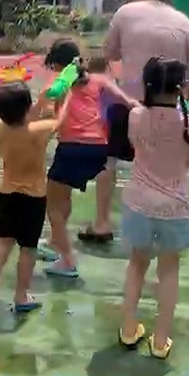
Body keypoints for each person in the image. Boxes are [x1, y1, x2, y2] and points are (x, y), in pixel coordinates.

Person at [96, 0, 189, 244]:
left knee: (108, 162)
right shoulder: (185, 23)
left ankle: (102, 222)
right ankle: (168, 217)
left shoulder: (127, 12)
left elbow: (110, 52)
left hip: (129, 102)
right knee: (168, 163)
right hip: (169, 105)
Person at [118, 57, 189, 359]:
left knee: (137, 264)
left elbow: (135, 147)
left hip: (138, 201)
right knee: (168, 270)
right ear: (181, 87)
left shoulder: (136, 116)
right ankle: (160, 342)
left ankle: (129, 330)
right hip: (174, 205)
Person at [41, 39, 136, 278]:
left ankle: (67, 260)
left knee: (53, 204)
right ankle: (56, 242)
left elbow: (49, 111)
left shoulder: (59, 83)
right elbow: (129, 102)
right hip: (98, 149)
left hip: (72, 146)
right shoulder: (99, 80)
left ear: (57, 63)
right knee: (63, 195)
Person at [0, 82, 60, 312]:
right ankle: (21, 295)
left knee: (4, 240)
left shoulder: (1, 127)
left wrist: (39, 103)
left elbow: (25, 122)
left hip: (8, 192)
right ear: (26, 106)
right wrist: (60, 100)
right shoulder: (39, 130)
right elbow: (60, 122)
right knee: (28, 248)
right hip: (33, 196)